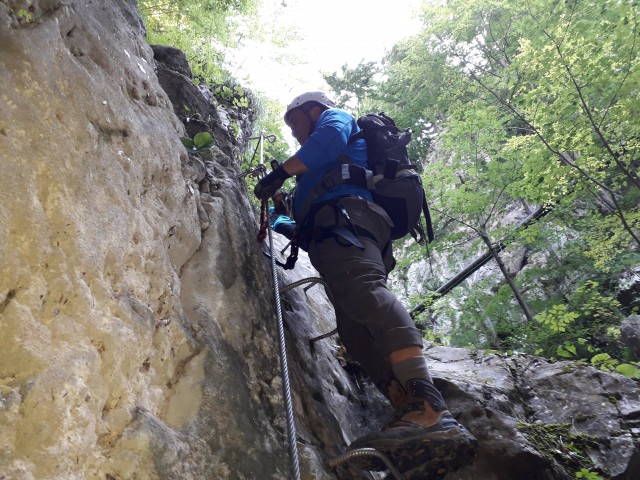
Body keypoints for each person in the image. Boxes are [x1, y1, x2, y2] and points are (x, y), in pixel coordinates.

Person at [254, 92, 477, 474]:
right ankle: (410, 415)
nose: (294, 133)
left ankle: (427, 405)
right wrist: (281, 205)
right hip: (332, 229)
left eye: (295, 122)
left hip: (350, 220)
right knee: (355, 335)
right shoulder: (316, 169)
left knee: (365, 289)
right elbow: (302, 212)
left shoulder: (336, 119)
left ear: (313, 110)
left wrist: (281, 171)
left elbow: (326, 145)